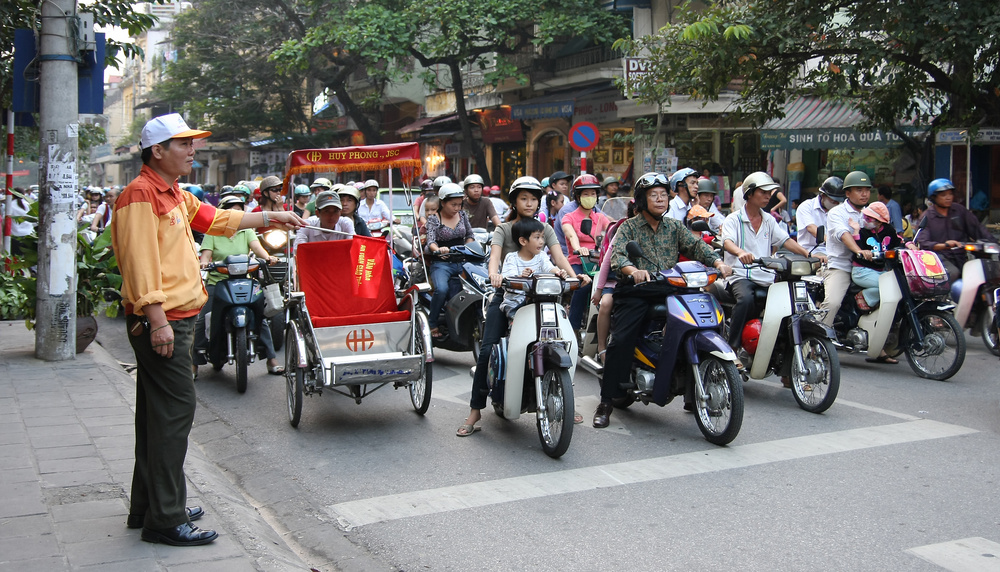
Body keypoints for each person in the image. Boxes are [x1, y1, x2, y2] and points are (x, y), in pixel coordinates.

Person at [111, 113, 304, 547]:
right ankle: (165, 517)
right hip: (165, 322)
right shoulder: (142, 195)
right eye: (184, 144)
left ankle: (151, 505)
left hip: (177, 319)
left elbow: (218, 220)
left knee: (156, 417)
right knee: (173, 417)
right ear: (158, 151)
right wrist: (157, 321)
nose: (192, 150)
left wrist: (273, 219)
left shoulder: (173, 193)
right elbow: (140, 267)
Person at [593, 172, 732, 429]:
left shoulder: (675, 226)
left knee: (703, 318)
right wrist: (633, 271)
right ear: (642, 200)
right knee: (622, 339)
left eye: (663, 195)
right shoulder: (629, 227)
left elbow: (697, 246)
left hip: (670, 288)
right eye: (653, 195)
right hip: (637, 291)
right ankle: (606, 401)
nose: (660, 199)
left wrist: (718, 262)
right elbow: (619, 256)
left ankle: (693, 387)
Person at [458, 176, 586, 437]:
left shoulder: (543, 228)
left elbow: (557, 257)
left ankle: (564, 396)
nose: (529, 203)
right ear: (514, 202)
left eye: (534, 198)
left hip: (542, 299)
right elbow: (494, 257)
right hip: (509, 297)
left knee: (563, 342)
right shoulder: (503, 229)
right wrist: (495, 276)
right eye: (523, 198)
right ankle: (475, 410)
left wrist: (573, 276)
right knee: (487, 349)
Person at [721, 172, 821, 364]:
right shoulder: (734, 219)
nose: (768, 196)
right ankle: (731, 349)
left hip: (765, 277)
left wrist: (809, 255)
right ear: (749, 194)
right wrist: (741, 253)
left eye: (770, 193)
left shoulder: (769, 220)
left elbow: (785, 240)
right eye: (763, 192)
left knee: (788, 308)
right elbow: (727, 242)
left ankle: (787, 365)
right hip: (741, 276)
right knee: (746, 299)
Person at [193, 195, 283, 375]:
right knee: (202, 320)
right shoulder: (213, 232)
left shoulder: (247, 230)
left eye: (240, 209)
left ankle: (271, 359)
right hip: (217, 282)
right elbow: (205, 255)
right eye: (232, 209)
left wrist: (268, 258)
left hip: (244, 281)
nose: (237, 213)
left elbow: (258, 249)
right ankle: (193, 363)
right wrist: (203, 262)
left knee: (261, 316)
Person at [915, 178, 996, 284]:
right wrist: (945, 245)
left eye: (950, 194)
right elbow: (924, 242)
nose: (948, 197)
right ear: (934, 197)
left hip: (961, 257)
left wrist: (993, 243)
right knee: (953, 272)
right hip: (939, 259)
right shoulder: (927, 216)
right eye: (943, 195)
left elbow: (977, 229)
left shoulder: (960, 210)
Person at [821, 170, 873, 325]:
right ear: (847, 193)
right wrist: (858, 250)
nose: (864, 194)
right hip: (841, 266)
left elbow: (885, 232)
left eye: (867, 190)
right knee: (832, 303)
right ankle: (815, 342)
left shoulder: (870, 213)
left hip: (869, 267)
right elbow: (843, 234)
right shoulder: (837, 213)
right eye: (859, 190)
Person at [561, 174, 611, 335]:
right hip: (577, 261)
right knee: (583, 285)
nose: (590, 197)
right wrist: (579, 248)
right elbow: (570, 235)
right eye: (585, 194)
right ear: (577, 196)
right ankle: (573, 328)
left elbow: (613, 230)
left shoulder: (600, 217)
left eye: (593, 194)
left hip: (599, 262)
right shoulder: (569, 217)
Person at [425, 183, 475, 339]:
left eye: (460, 204)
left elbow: (470, 235)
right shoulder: (434, 219)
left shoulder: (463, 215)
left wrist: (467, 247)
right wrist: (438, 250)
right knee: (441, 289)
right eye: (453, 204)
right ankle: (432, 323)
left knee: (475, 289)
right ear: (443, 203)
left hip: (462, 261)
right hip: (441, 263)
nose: (457, 208)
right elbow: (430, 241)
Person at [590, 200, 636, 364]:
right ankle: (602, 346)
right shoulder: (623, 231)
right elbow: (607, 262)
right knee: (606, 304)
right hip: (615, 281)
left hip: (642, 284)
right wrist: (599, 289)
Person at [499, 218, 568, 318]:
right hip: (515, 304)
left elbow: (549, 267)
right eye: (537, 237)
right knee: (517, 324)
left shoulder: (542, 256)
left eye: (542, 237)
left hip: (540, 302)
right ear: (523, 241)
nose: (542, 241)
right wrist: (521, 277)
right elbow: (508, 278)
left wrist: (559, 272)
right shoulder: (512, 258)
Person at [795, 176, 844, 256]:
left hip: (833, 252)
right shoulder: (806, 207)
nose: (836, 204)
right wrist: (830, 241)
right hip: (810, 251)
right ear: (823, 196)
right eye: (833, 201)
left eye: (838, 202)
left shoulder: (839, 210)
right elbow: (811, 228)